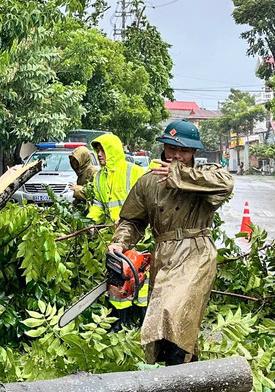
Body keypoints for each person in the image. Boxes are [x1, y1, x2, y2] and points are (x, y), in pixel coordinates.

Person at [107, 119, 234, 365]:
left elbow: (225, 184)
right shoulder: (147, 182)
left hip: (196, 253)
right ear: (163, 147)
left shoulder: (205, 175)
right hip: (164, 255)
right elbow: (132, 221)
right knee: (168, 330)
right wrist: (120, 243)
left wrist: (180, 175)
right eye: (171, 148)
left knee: (174, 314)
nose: (177, 156)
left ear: (194, 152)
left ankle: (178, 387)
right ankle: (182, 389)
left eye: (184, 151)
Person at [87, 133, 148, 329]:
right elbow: (98, 203)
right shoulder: (98, 177)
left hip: (139, 236)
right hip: (115, 238)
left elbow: (147, 203)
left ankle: (143, 321)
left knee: (141, 280)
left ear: (112, 150)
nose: (99, 154)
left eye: (103, 150)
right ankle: (119, 323)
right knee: (118, 280)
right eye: (97, 150)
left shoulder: (135, 172)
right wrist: (91, 221)